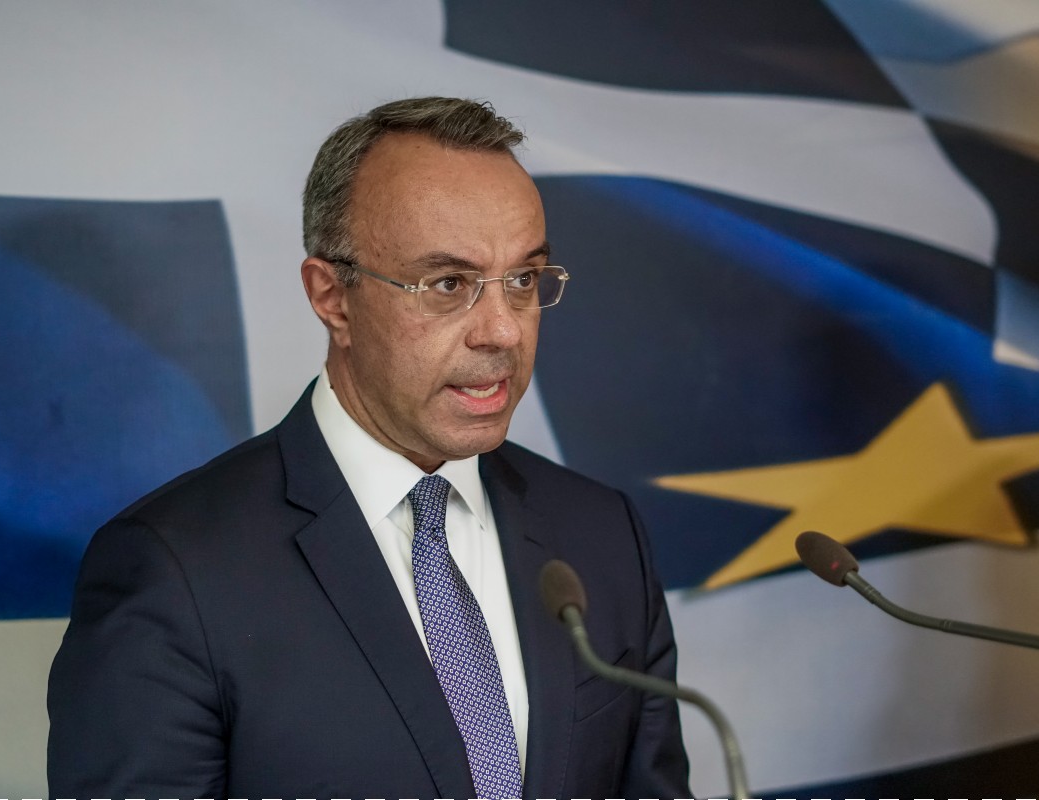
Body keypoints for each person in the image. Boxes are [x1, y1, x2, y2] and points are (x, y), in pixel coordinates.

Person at [48, 96, 691, 799]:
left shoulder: (602, 534)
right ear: (333, 297)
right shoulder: (173, 570)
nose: (503, 331)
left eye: (522, 281)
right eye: (449, 284)